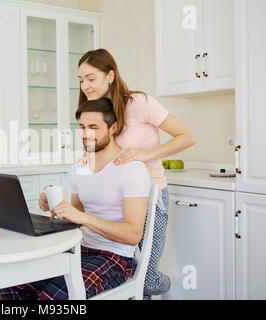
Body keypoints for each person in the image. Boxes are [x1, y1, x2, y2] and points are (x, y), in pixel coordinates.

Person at [0, 97, 151, 300]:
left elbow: (133, 234)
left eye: (93, 127)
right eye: (81, 127)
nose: (85, 134)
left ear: (113, 127)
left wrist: (82, 217)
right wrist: (55, 207)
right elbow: (75, 219)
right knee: (12, 281)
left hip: (114, 257)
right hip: (78, 249)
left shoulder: (132, 169)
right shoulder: (80, 168)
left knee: (53, 297)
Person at [76, 48, 196, 299]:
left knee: (146, 280)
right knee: (128, 275)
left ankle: (169, 284)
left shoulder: (140, 103)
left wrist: (145, 155)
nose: (85, 85)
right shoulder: (97, 110)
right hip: (116, 200)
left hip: (151, 195)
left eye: (90, 78)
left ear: (110, 76)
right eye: (80, 80)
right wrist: (90, 155)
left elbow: (187, 136)